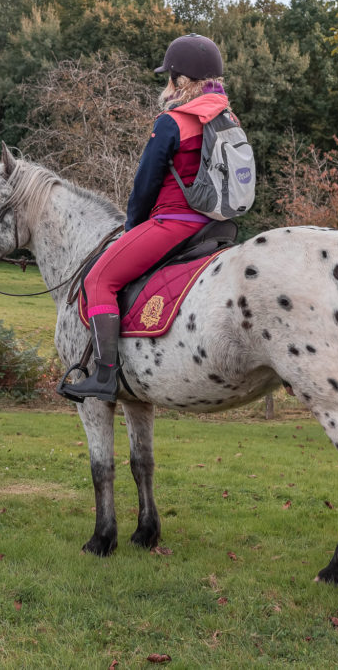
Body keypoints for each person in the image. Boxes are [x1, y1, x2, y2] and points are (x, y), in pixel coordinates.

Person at [61, 33, 234, 402]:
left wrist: (131, 228)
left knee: (97, 280)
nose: (166, 84)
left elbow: (144, 185)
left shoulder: (173, 121)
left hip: (174, 223)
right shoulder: (226, 119)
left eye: (168, 77)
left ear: (181, 81)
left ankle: (105, 376)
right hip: (214, 226)